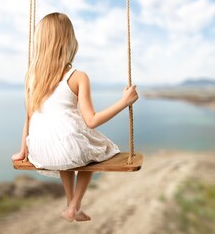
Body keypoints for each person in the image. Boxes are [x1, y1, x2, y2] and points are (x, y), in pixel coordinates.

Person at [11, 12, 138, 222]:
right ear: (69, 41)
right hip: (67, 148)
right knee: (97, 150)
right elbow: (91, 120)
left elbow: (28, 117)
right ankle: (75, 204)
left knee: (67, 151)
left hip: (40, 151)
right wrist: (123, 102)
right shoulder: (78, 77)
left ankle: (71, 205)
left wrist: (23, 151)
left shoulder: (32, 77)